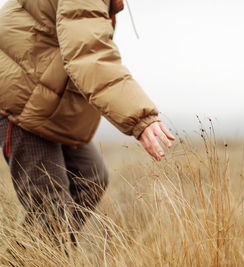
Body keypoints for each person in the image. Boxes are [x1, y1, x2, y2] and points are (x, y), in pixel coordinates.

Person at [0, 0, 174, 248]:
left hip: (49, 102)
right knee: (52, 213)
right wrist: (140, 117)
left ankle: (45, 255)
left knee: (90, 177)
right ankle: (45, 254)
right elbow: (89, 53)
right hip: (22, 100)